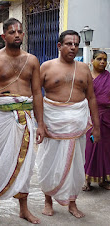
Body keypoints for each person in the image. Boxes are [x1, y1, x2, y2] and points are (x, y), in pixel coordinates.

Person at [0, 18, 44, 226]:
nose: (17, 35)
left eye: (20, 32)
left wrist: (41, 124)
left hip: (26, 118)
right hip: (2, 118)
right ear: (4, 36)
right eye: (12, 32)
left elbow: (37, 93)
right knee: (1, 162)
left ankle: (24, 209)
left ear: (23, 35)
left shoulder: (32, 60)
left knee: (26, 164)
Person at [36, 30, 100, 219]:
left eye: (76, 44)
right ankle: (48, 200)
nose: (73, 47)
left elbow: (91, 98)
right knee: (48, 162)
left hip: (77, 125)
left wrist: (96, 126)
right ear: (59, 46)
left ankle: (72, 203)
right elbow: (36, 95)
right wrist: (40, 123)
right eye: (69, 44)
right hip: (53, 123)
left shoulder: (83, 69)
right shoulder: (46, 67)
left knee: (76, 165)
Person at [83, 50, 110, 191]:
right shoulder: (87, 77)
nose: (102, 62)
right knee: (90, 147)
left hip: (106, 118)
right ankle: (86, 180)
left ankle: (103, 179)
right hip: (88, 117)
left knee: (105, 149)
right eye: (99, 59)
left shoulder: (109, 78)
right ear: (92, 61)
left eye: (105, 59)